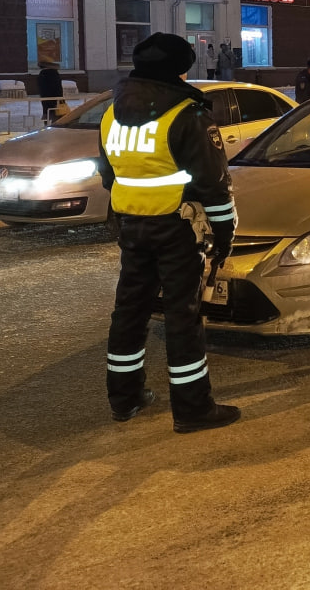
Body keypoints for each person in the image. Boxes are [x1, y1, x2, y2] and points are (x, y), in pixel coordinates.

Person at [98, 32, 241, 434]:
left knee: (129, 310)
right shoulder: (187, 114)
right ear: (182, 68)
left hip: (131, 225)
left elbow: (108, 172)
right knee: (183, 316)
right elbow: (213, 183)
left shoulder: (112, 114)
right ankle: (193, 409)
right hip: (176, 227)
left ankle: (124, 398)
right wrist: (225, 231)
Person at [37, 59, 64, 124]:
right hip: (55, 100)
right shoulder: (53, 73)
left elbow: (42, 88)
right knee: (56, 118)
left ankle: (48, 126)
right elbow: (58, 88)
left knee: (48, 115)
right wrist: (61, 100)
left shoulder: (42, 74)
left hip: (45, 99)